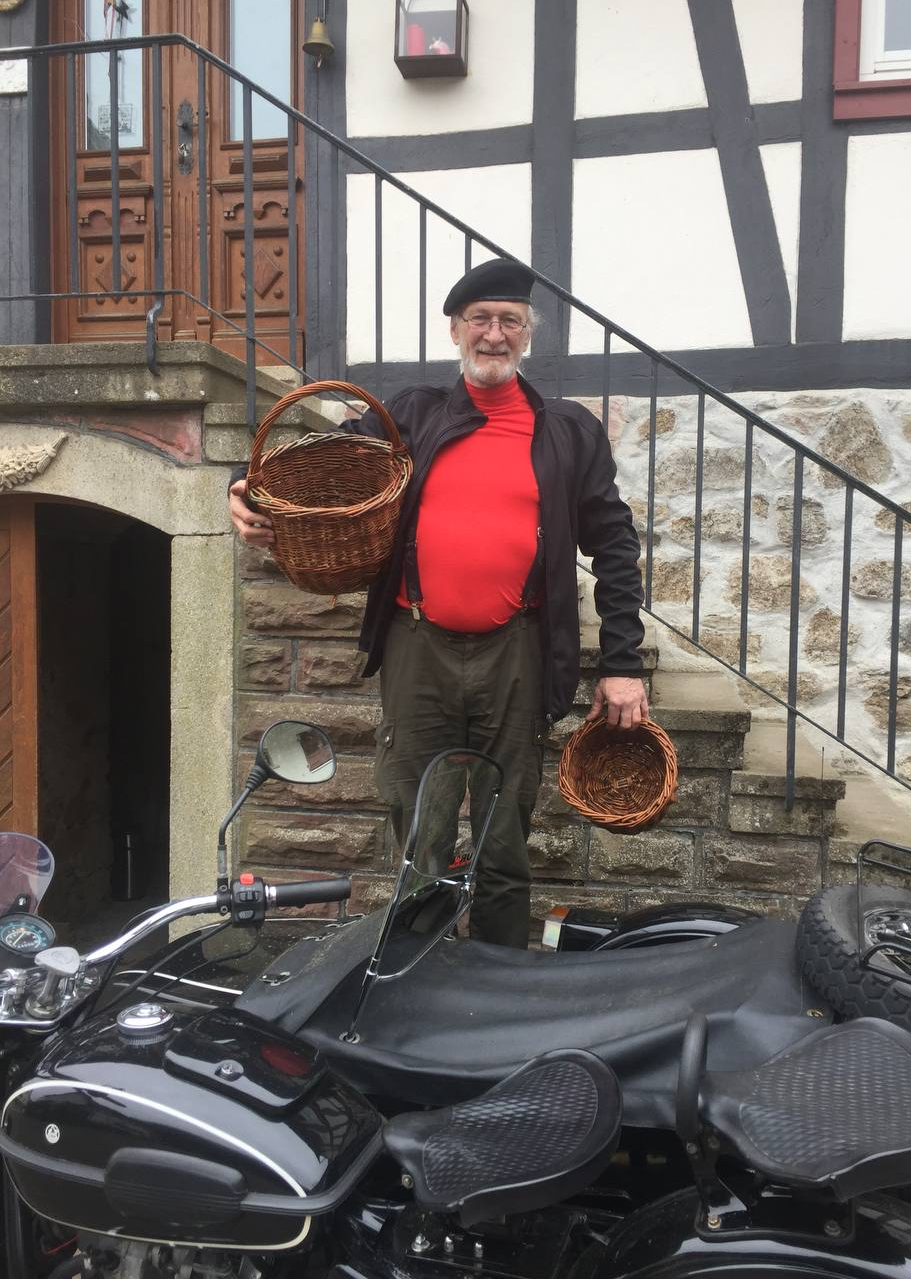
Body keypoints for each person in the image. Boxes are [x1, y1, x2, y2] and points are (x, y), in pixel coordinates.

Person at [230, 259, 648, 949]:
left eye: (509, 320)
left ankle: (497, 980)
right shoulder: (413, 415)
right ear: (455, 330)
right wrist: (243, 487)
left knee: (504, 839)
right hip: (417, 646)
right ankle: (422, 975)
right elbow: (320, 465)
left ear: (528, 335)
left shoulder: (568, 431)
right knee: (420, 834)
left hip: (516, 651)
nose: (494, 334)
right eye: (479, 319)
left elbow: (615, 545)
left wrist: (623, 663)